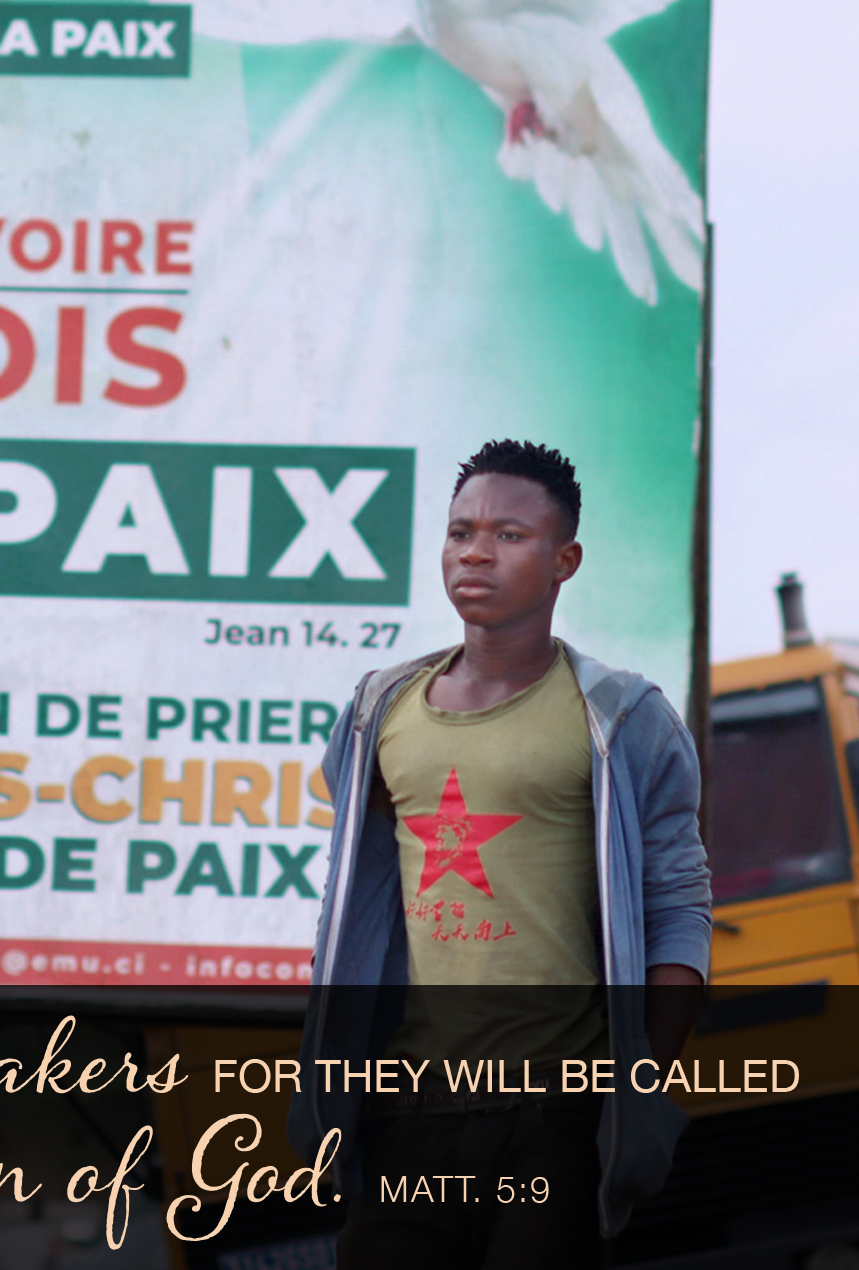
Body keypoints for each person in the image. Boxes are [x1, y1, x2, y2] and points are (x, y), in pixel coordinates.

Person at [288, 439, 711, 1269]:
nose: (475, 551)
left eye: (508, 535)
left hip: (557, 1112)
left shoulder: (621, 720)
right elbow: (355, 893)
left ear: (565, 560)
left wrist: (636, 1087)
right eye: (459, 532)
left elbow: (677, 910)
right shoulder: (379, 712)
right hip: (409, 1108)